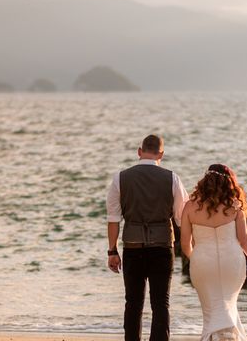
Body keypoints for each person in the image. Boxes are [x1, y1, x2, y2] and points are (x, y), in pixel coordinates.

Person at [106, 134, 189, 341]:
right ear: (161, 153)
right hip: (162, 246)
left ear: (139, 151)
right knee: (161, 303)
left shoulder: (120, 178)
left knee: (133, 302)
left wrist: (112, 251)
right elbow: (181, 217)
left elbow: (113, 218)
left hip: (133, 247)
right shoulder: (172, 178)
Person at [180, 164, 247, 341]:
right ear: (229, 182)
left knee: (210, 309)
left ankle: (217, 337)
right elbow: (244, 239)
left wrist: (194, 258)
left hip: (202, 262)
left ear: (205, 181)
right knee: (228, 303)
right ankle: (228, 335)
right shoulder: (235, 205)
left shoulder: (189, 207)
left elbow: (184, 243)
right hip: (232, 262)